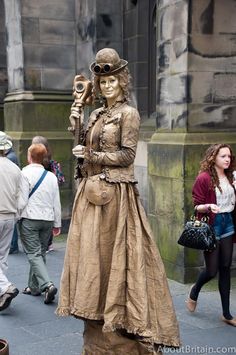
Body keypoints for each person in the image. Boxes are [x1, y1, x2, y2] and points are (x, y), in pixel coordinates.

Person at [56, 48, 180, 354]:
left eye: (112, 79)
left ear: (121, 81)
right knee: (93, 259)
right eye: (102, 81)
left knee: (118, 259)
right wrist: (77, 127)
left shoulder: (129, 114)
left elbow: (127, 155)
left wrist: (92, 154)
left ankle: (124, 322)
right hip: (92, 195)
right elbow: (83, 160)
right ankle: (97, 318)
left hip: (117, 199)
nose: (107, 85)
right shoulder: (97, 114)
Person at [186, 143, 236, 327]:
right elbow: (196, 205)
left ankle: (227, 314)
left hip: (228, 223)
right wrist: (208, 207)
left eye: (229, 156)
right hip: (212, 225)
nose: (227, 159)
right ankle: (195, 290)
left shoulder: (232, 177)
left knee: (225, 268)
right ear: (213, 157)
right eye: (223, 156)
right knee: (212, 270)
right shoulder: (204, 178)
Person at [20, 143, 61, 304]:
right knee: (39, 253)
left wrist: (17, 215)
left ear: (29, 157)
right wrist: (57, 223)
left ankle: (47, 285)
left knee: (33, 254)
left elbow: (22, 199)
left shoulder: (24, 173)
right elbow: (56, 202)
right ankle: (33, 287)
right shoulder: (51, 176)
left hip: (30, 218)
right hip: (48, 219)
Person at [0, 131, 28, 311]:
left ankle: (6, 287)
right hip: (10, 216)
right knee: (2, 257)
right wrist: (17, 212)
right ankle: (2, 291)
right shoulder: (14, 168)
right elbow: (23, 197)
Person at [31, 136, 65, 253]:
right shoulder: (54, 164)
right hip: (49, 196)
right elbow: (61, 180)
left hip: (35, 198)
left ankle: (39, 244)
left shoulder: (32, 165)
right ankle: (48, 243)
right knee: (49, 216)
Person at [5, 135, 20, 254]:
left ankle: (13, 245)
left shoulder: (10, 158)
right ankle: (13, 245)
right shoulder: (11, 155)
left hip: (9, 194)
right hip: (11, 194)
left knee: (11, 223)